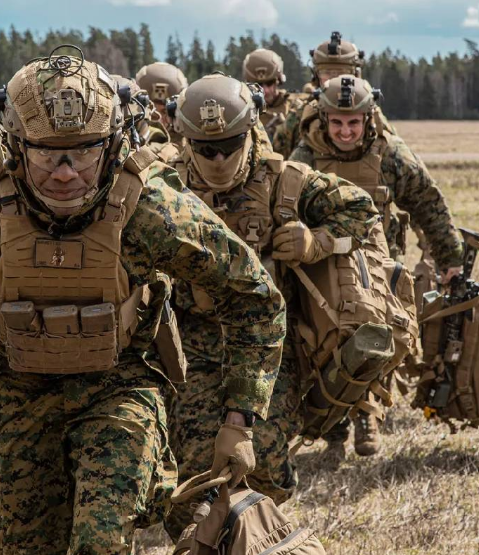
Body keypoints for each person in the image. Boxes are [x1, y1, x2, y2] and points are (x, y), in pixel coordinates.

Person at [0, 51, 286, 555]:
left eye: (85, 152)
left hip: (121, 386)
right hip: (18, 388)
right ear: (15, 145)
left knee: (100, 540)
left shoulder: (152, 209)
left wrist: (240, 419)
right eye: (46, 154)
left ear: (113, 145)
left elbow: (252, 296)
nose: (66, 173)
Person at [162, 73, 378, 540]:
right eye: (205, 148)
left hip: (269, 351)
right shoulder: (164, 184)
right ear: (185, 139)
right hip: (191, 351)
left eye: (229, 146)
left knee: (265, 461)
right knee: (193, 467)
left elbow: (362, 211)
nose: (218, 159)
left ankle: (256, 536)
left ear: (250, 131)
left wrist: (316, 241)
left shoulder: (286, 182)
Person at [289, 74, 464, 459]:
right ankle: (335, 426)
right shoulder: (305, 156)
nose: (345, 131)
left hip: (383, 264)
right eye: (337, 122)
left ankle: (369, 412)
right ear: (324, 118)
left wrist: (450, 257)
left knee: (384, 336)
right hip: (324, 264)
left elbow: (429, 204)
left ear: (368, 118)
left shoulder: (391, 155)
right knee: (324, 342)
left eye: (353, 122)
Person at [272, 31, 397, 159]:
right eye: (327, 72)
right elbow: (279, 158)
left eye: (342, 72)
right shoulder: (300, 115)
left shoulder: (371, 115)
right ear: (316, 75)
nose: (335, 79)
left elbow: (391, 149)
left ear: (356, 75)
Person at [242, 48, 306, 150]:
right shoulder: (242, 110)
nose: (265, 91)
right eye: (258, 85)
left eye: (269, 83)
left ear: (278, 81)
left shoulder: (296, 106)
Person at [135, 61, 189, 151]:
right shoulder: (130, 141)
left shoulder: (188, 147)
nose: (159, 119)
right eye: (152, 112)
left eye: (164, 112)